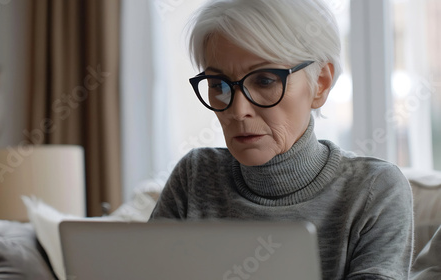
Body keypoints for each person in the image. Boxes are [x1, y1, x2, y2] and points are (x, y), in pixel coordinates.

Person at [149, 0, 413, 279]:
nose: (238, 111)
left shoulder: (373, 190)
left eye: (264, 80)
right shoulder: (195, 176)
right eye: (219, 85)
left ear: (320, 83)